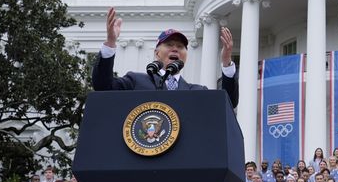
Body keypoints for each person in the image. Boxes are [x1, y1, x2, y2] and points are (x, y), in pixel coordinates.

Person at [92, 8, 239, 108]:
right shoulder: (135, 81)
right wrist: (110, 43)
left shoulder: (197, 91)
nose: (175, 48)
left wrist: (226, 63)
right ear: (157, 53)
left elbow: (228, 103)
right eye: (169, 44)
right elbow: (103, 87)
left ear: (185, 56)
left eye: (181, 47)